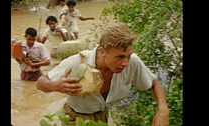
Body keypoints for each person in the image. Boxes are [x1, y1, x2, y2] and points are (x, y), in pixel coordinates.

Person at [37, 23, 169, 125]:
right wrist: (56, 86)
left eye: (128, 56)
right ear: (102, 51)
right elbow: (40, 83)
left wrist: (163, 109)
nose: (126, 63)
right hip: (73, 117)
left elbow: (154, 83)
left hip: (103, 116)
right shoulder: (77, 62)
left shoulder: (132, 62)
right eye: (120, 57)